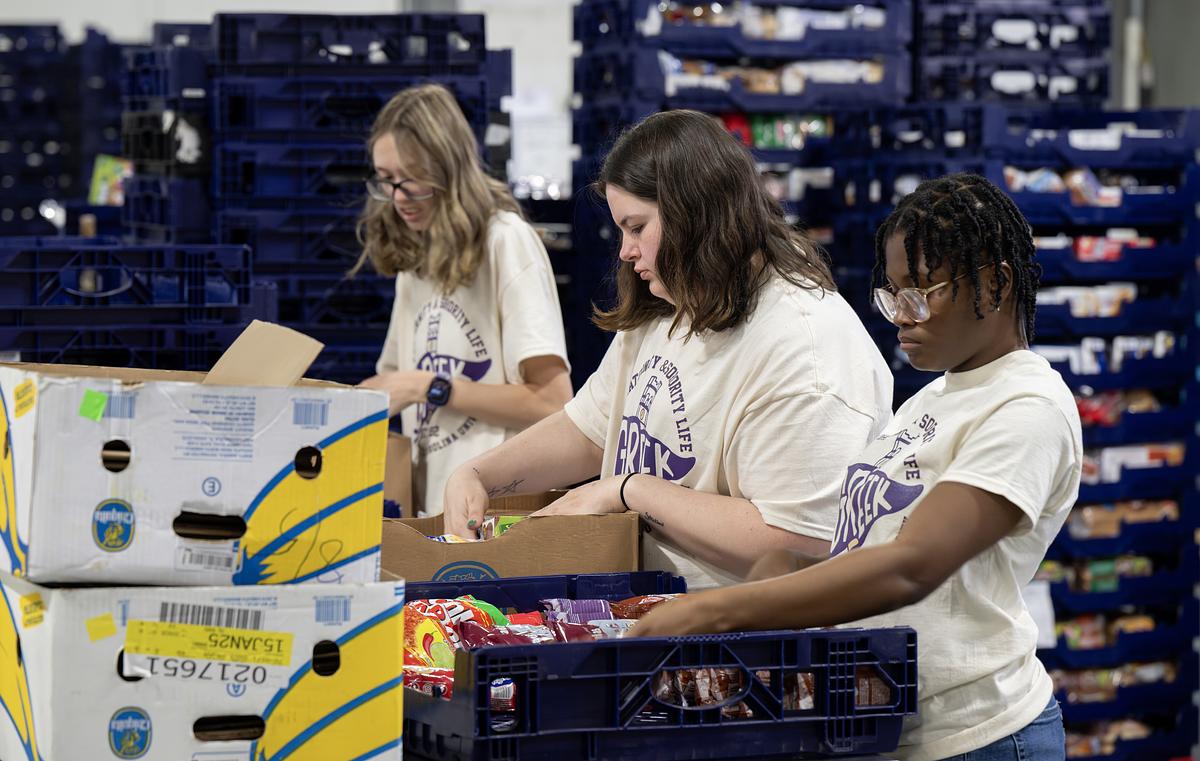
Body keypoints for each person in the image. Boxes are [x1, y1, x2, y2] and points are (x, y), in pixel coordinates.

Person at [632, 173, 1082, 761]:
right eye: (892, 293)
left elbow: (911, 566)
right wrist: (781, 567)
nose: (902, 314)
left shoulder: (1028, 408)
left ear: (995, 283)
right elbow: (869, 545)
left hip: (976, 736)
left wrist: (715, 609)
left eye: (921, 291)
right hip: (888, 728)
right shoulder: (930, 398)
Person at [442, 110, 892, 589]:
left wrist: (628, 490)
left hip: (745, 647)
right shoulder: (673, 302)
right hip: (653, 622)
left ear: (696, 214)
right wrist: (477, 474)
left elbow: (796, 543)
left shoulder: (807, 349)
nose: (625, 251)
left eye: (637, 228)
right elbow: (594, 429)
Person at [357, 84, 572, 515]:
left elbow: (553, 404)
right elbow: (391, 390)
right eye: (386, 180)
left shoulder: (505, 242)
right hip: (433, 516)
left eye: (412, 178)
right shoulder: (417, 257)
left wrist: (428, 386)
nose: (398, 197)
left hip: (495, 517)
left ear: (449, 169)